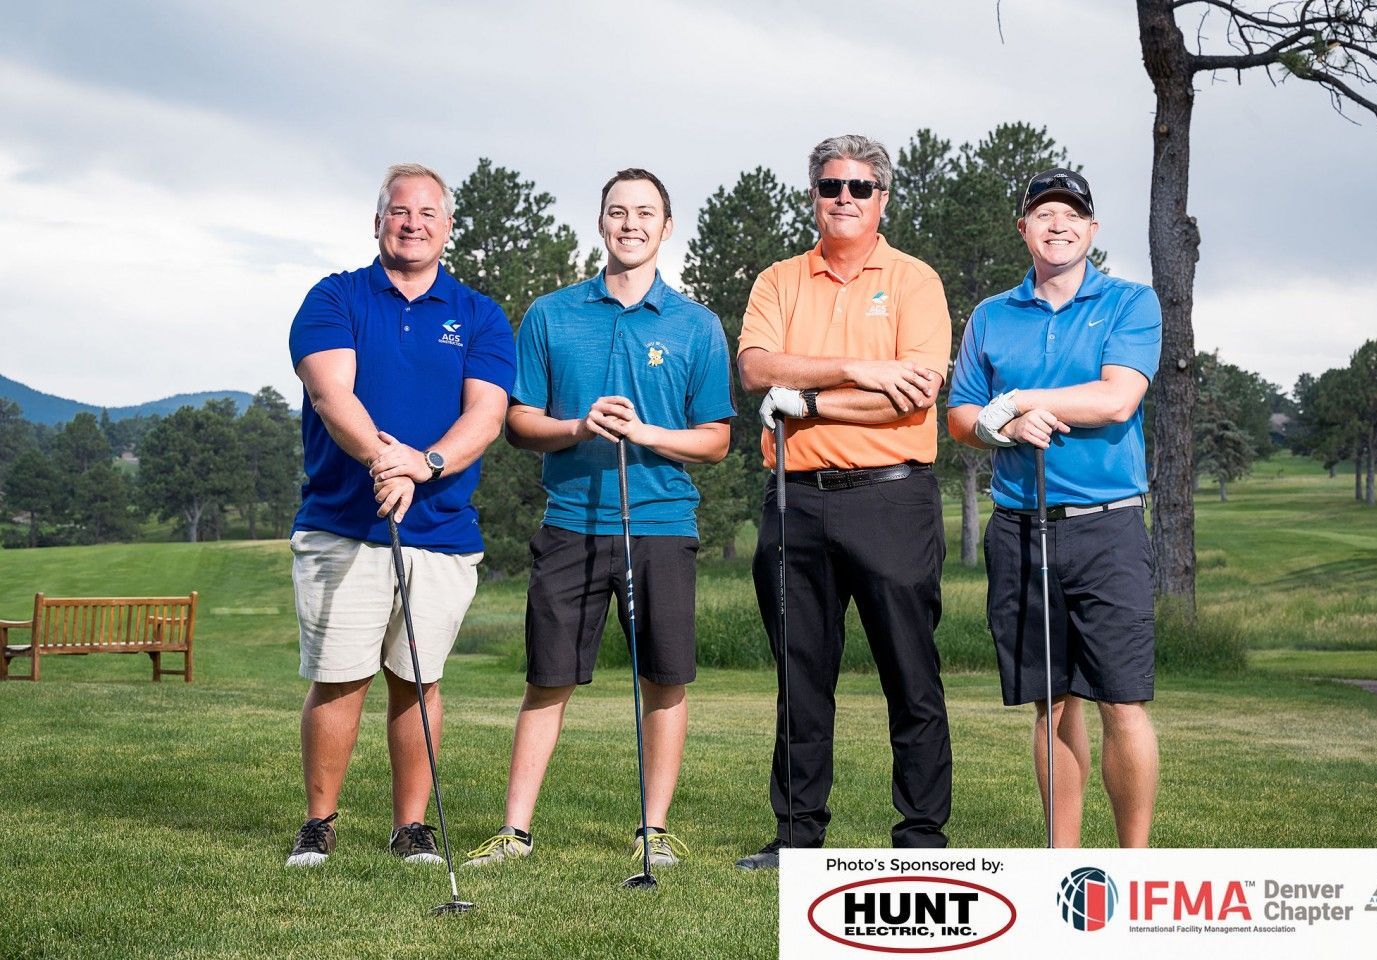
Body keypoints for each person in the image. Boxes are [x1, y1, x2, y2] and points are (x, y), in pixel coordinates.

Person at [464, 169, 734, 870]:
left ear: (666, 227)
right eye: (618, 212)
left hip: (661, 525)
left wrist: (647, 434)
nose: (630, 224)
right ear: (601, 222)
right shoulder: (551, 314)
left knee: (664, 680)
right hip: (571, 523)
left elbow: (715, 440)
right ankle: (515, 833)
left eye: (645, 213)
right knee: (548, 679)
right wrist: (579, 427)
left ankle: (654, 830)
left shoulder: (696, 325)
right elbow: (518, 422)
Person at [284, 163, 515, 867]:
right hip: (343, 525)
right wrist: (385, 461)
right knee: (340, 676)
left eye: (427, 213)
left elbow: (487, 414)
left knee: (418, 680)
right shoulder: (335, 297)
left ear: (448, 226)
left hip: (440, 530)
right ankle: (319, 823)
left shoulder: (479, 314)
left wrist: (426, 464)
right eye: (399, 211)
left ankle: (411, 827)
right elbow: (332, 394)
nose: (412, 223)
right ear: (378, 221)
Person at [734, 135, 953, 870]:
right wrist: (860, 369)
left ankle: (920, 839)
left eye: (860, 187)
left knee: (910, 675)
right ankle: (797, 837)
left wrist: (807, 401)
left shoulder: (915, 280)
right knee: (799, 679)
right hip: (796, 500)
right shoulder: (778, 280)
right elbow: (757, 368)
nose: (845, 198)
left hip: (892, 499)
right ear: (814, 195)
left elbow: (914, 394)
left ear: (881, 197)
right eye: (832, 186)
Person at [947, 168, 1161, 847]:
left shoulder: (1129, 302)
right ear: (1024, 229)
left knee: (1122, 701)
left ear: (1091, 229)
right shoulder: (990, 316)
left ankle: (1133, 867)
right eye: (1043, 213)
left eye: (1071, 214)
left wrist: (1016, 401)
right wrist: (1003, 426)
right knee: (1050, 701)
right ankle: (1060, 864)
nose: (1057, 224)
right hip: (1020, 528)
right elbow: (959, 415)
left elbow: (1116, 399)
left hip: (1107, 528)